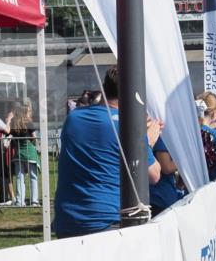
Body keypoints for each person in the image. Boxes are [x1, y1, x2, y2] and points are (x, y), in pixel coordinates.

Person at [53, 67, 162, 239]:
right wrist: (147, 141)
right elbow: (153, 175)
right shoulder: (126, 127)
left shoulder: (73, 118)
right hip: (106, 221)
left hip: (68, 220)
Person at [9, 101, 40, 206]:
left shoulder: (14, 122)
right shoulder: (28, 122)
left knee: (19, 177)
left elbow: (11, 136)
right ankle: (34, 201)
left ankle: (19, 201)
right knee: (33, 177)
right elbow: (34, 137)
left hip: (18, 153)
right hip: (29, 151)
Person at [149, 137, 183, 217]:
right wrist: (187, 158)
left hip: (164, 196)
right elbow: (166, 167)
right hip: (159, 198)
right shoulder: (162, 137)